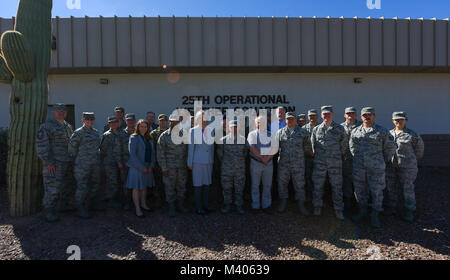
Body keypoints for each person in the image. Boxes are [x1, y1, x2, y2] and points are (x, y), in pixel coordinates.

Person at [350, 107, 396, 228]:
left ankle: (375, 215)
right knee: (360, 190)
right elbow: (352, 147)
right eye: (364, 115)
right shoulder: (355, 131)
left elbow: (391, 147)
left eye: (369, 114)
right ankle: (362, 212)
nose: (367, 116)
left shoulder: (382, 131)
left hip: (376, 168)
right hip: (359, 167)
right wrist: (359, 158)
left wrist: (382, 160)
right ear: (361, 117)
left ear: (374, 116)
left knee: (377, 191)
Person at [36, 104, 74, 222]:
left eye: (63, 111)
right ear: (53, 112)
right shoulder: (46, 127)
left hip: (67, 162)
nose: (61, 113)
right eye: (59, 111)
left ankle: (63, 205)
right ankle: (49, 211)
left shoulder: (67, 126)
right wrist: (48, 162)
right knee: (52, 187)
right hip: (54, 164)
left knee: (65, 186)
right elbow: (42, 146)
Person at [385, 111, 424, 222]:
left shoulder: (413, 135)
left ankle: (409, 210)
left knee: (407, 189)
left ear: (405, 120)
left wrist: (410, 161)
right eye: (396, 119)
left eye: (401, 119)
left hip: (407, 167)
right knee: (391, 187)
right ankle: (392, 207)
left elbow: (419, 151)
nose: (398, 121)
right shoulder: (388, 134)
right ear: (393, 121)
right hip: (391, 166)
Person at [310, 106, 347, 220]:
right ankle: (317, 206)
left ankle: (338, 209)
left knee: (337, 187)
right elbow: (313, 145)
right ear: (321, 116)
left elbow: (344, 145)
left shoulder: (340, 129)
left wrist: (337, 156)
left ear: (332, 114)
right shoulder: (316, 129)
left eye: (328, 114)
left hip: (335, 164)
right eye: (324, 114)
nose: (326, 116)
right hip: (320, 163)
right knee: (318, 186)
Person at [272, 112, 312, 215]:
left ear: (295, 120)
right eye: (288, 119)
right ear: (285, 120)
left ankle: (301, 205)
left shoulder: (303, 132)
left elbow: (307, 148)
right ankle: (283, 203)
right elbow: (275, 148)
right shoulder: (280, 133)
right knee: (282, 184)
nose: (290, 121)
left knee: (300, 185)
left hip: (298, 164)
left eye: (292, 119)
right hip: (283, 165)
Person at [68, 112, 102, 219]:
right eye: (87, 120)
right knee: (82, 186)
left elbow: (98, 147)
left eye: (92, 120)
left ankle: (91, 204)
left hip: (95, 163)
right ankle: (80, 208)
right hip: (82, 165)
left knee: (95, 184)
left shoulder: (96, 132)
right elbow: (71, 149)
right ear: (83, 120)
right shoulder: (78, 133)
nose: (90, 122)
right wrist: (79, 160)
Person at [157, 113, 189, 217]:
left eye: (177, 122)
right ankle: (171, 207)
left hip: (182, 167)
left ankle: (180, 205)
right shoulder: (164, 136)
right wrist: (164, 168)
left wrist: (188, 164)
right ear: (170, 122)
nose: (175, 124)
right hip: (169, 168)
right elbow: (160, 153)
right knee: (169, 187)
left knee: (181, 186)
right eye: (173, 122)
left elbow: (189, 150)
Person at [216, 120, 248, 215]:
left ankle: (239, 205)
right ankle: (227, 205)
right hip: (227, 168)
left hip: (239, 169)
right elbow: (220, 155)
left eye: (235, 127)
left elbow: (245, 153)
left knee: (239, 187)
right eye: (231, 127)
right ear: (228, 128)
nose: (233, 129)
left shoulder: (243, 140)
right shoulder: (223, 140)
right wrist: (227, 163)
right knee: (226, 187)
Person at [126, 119, 155, 217]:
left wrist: (151, 165)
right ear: (138, 127)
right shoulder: (134, 138)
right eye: (141, 126)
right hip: (137, 167)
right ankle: (138, 209)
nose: (143, 128)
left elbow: (152, 154)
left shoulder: (149, 138)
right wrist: (141, 167)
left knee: (144, 187)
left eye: (145, 127)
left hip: (147, 166)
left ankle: (144, 205)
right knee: (136, 187)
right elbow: (132, 155)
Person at [188, 111, 215, 215]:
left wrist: (212, 160)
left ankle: (205, 205)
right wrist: (189, 163)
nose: (203, 120)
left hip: (208, 161)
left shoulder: (210, 130)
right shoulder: (193, 131)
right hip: (197, 161)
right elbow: (191, 148)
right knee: (198, 185)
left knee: (207, 184)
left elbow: (212, 147)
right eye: (201, 118)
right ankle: (198, 208)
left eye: (205, 118)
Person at [247, 115, 276, 213]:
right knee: (255, 185)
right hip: (256, 163)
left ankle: (266, 205)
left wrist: (267, 159)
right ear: (255, 124)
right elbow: (252, 148)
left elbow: (274, 148)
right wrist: (262, 158)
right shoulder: (252, 134)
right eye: (258, 122)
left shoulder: (271, 134)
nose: (260, 124)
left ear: (266, 123)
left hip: (268, 163)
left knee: (267, 185)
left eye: (262, 122)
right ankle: (255, 205)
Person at [340, 107, 362, 216]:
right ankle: (348, 204)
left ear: (356, 115)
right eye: (348, 113)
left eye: (352, 113)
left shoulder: (362, 126)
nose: (350, 115)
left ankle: (359, 205)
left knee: (360, 182)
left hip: (360, 160)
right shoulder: (340, 127)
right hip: (345, 160)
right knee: (347, 181)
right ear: (344, 115)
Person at [100, 116, 123, 209]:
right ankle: (111, 200)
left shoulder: (121, 133)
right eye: (111, 122)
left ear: (118, 123)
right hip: (110, 162)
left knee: (118, 181)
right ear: (109, 124)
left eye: (115, 122)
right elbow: (103, 149)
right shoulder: (106, 135)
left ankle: (116, 198)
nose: (113, 124)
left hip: (120, 161)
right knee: (111, 181)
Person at [150, 114, 169, 207]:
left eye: (165, 121)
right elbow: (151, 149)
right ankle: (158, 201)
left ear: (167, 122)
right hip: (158, 162)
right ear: (158, 121)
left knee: (169, 183)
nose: (163, 122)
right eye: (161, 121)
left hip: (169, 162)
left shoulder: (172, 133)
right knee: (158, 182)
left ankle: (168, 201)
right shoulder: (153, 133)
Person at [119, 113, 136, 210]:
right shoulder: (122, 134)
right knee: (125, 183)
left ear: (134, 121)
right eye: (128, 120)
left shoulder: (139, 132)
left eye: (132, 120)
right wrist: (119, 162)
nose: (130, 122)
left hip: (137, 163)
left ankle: (137, 202)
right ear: (126, 121)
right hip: (125, 162)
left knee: (136, 182)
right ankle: (127, 202)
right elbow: (118, 149)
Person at [302, 109, 319, 201]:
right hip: (307, 157)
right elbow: (301, 143)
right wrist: (308, 151)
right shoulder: (303, 129)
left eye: (314, 115)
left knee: (318, 178)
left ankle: (318, 197)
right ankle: (308, 196)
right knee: (307, 177)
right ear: (308, 117)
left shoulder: (321, 127)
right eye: (310, 116)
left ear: (317, 116)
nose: (312, 117)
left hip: (319, 158)